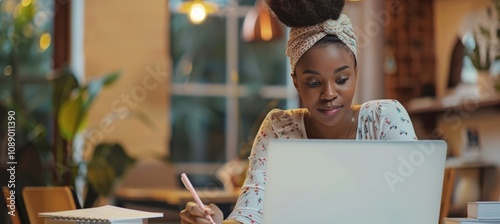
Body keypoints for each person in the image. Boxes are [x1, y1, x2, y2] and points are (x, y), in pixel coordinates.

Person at [180, 0, 417, 223]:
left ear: (356, 72)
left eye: (342, 79)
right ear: (296, 83)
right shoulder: (279, 128)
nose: (329, 94)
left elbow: (414, 205)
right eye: (313, 83)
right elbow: (251, 211)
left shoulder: (385, 118)